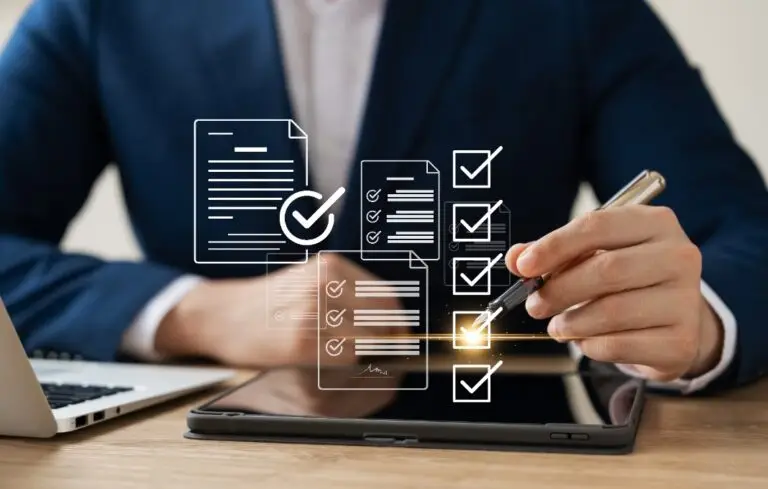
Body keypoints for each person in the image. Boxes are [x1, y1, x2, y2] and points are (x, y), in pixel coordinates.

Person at [0, 0, 766, 408]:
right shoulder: (97, 10)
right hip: (187, 458)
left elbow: (746, 238)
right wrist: (197, 311)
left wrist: (696, 324)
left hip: (504, 459)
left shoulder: (577, 11)